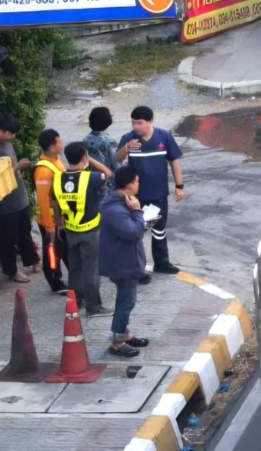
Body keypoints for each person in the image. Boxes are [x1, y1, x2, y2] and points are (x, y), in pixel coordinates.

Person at [116, 106, 184, 275]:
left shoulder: (164, 136)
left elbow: (174, 161)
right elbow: (117, 159)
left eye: (139, 123)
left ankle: (161, 262)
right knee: (136, 231)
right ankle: (133, 266)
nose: (135, 127)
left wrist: (179, 186)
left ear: (149, 122)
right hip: (136, 197)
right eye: (133, 123)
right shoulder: (128, 139)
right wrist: (127, 149)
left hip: (158, 193)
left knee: (159, 228)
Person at [101, 165, 150, 357]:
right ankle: (117, 342)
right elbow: (133, 232)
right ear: (129, 184)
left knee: (125, 300)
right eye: (137, 181)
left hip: (123, 260)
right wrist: (138, 213)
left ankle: (125, 334)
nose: (139, 184)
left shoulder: (119, 201)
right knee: (126, 302)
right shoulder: (116, 210)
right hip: (122, 264)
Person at [55, 142, 108, 316]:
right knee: (91, 269)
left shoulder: (58, 179)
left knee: (75, 268)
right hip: (90, 231)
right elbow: (108, 174)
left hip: (70, 230)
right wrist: (90, 160)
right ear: (84, 157)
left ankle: (75, 302)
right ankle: (93, 307)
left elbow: (56, 205)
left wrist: (58, 225)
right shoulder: (92, 177)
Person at [0, 112, 37, 284]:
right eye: (11, 133)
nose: (13, 137)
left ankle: (33, 260)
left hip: (19, 198)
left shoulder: (7, 144)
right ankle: (12, 271)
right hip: (5, 205)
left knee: (25, 232)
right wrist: (16, 167)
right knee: (7, 239)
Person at [33, 129, 67, 293]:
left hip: (60, 218)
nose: (62, 144)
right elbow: (43, 200)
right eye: (59, 141)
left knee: (62, 249)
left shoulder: (56, 160)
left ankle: (62, 276)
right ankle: (55, 282)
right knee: (51, 253)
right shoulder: (43, 171)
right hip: (50, 221)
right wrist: (48, 225)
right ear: (52, 146)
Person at [84, 107, 117, 173]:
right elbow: (115, 162)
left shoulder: (86, 139)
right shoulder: (110, 141)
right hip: (107, 174)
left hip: (92, 174)